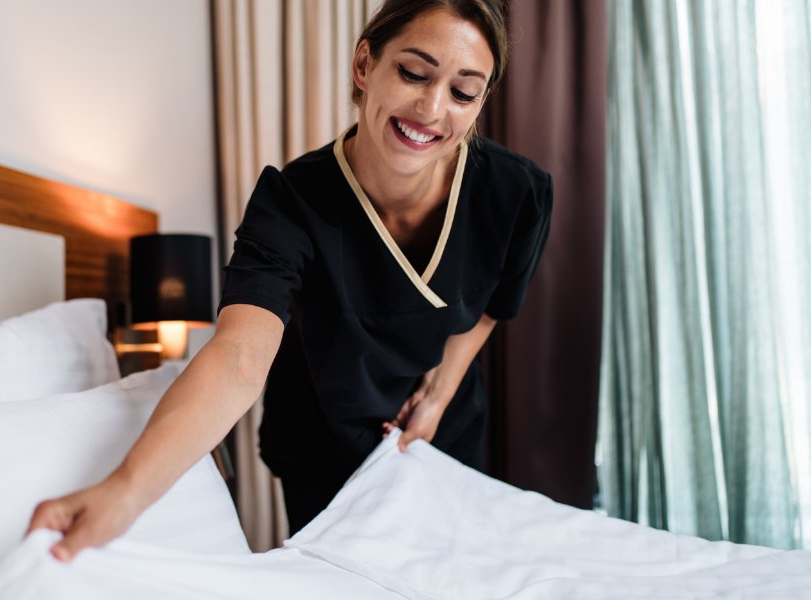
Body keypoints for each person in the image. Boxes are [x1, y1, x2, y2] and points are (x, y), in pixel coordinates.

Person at [28, 0, 552, 561]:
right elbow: (238, 358)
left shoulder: (516, 193)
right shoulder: (290, 205)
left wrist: (439, 392)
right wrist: (126, 491)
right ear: (363, 65)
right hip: (321, 449)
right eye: (413, 73)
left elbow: (497, 303)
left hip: (442, 435)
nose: (431, 108)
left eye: (463, 92)